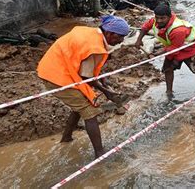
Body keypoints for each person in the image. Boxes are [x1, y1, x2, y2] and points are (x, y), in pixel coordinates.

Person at [37, 15, 130, 158]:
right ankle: (100, 154)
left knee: (80, 103)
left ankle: (66, 138)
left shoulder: (91, 33)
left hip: (54, 67)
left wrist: (103, 82)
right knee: (89, 111)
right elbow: (86, 77)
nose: (121, 41)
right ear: (109, 33)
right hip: (56, 76)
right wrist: (107, 92)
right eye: (120, 37)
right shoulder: (94, 47)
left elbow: (88, 67)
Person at [134, 2, 195, 100]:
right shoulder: (154, 21)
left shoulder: (178, 30)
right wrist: (139, 40)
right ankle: (169, 92)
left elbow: (174, 48)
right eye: (157, 17)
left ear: (169, 17)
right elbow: (145, 27)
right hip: (173, 46)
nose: (159, 21)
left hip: (192, 48)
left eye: (162, 18)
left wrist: (157, 53)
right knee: (168, 69)